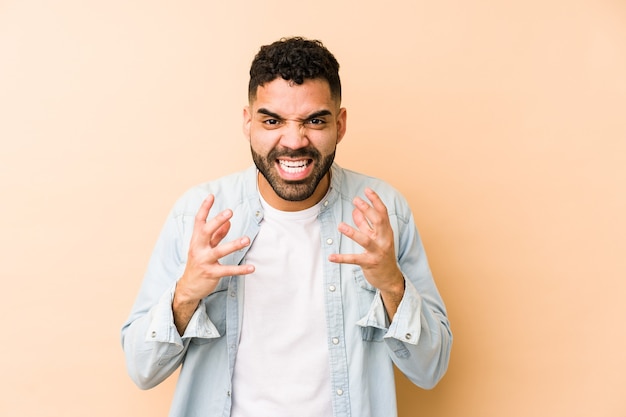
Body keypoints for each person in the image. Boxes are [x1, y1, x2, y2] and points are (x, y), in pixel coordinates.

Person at [121, 36, 452, 417]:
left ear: (340, 124)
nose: (294, 141)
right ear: (248, 123)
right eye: (272, 120)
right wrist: (185, 296)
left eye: (314, 120)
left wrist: (393, 285)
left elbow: (431, 369)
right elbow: (142, 370)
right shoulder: (196, 215)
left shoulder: (384, 212)